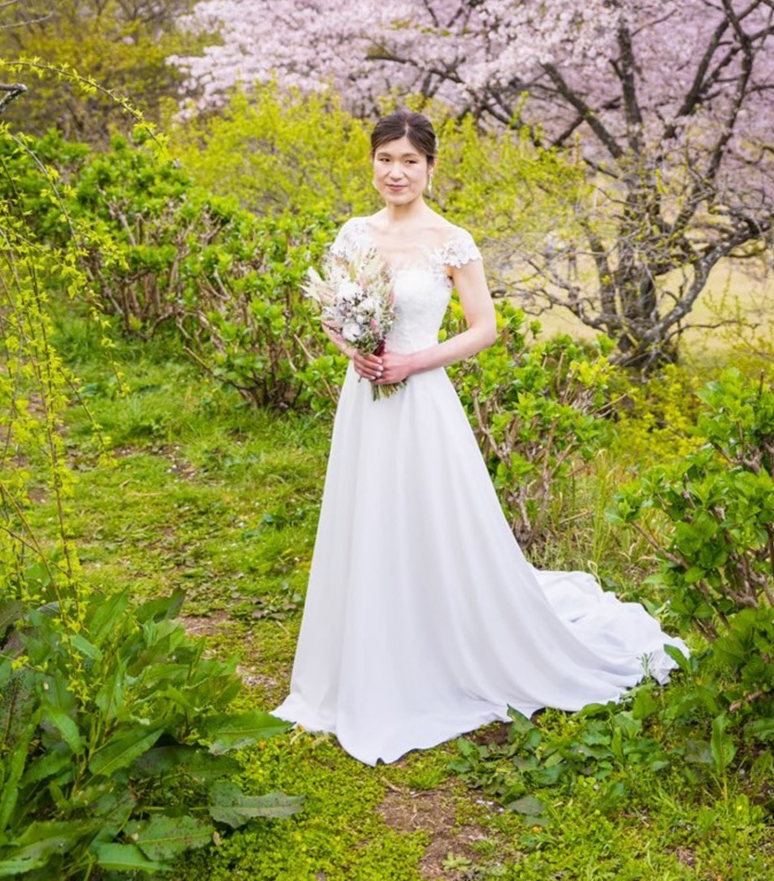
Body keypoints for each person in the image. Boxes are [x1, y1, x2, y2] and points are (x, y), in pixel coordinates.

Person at [274, 106, 682, 765]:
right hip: (365, 399)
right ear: (371, 163)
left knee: (433, 519)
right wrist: (352, 349)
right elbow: (330, 308)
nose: (396, 172)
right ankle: (366, 651)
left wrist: (411, 359)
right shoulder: (353, 232)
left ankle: (443, 647)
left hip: (421, 395)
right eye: (385, 159)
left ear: (431, 167)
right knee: (367, 517)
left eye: (409, 160)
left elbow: (483, 327)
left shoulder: (452, 240)